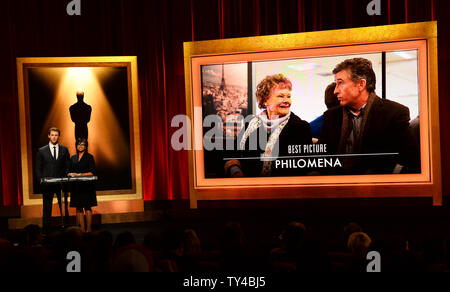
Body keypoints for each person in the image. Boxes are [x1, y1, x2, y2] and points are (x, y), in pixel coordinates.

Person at [319, 58, 419, 174]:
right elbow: (322, 160)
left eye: (340, 83)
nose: (335, 91)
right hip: (337, 186)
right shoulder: (331, 117)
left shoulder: (394, 113)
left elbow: (411, 160)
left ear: (361, 84)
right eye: (336, 84)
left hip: (378, 187)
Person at [224, 74, 312, 177]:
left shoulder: (300, 128)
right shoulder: (251, 123)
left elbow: (303, 168)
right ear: (265, 100)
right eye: (280, 96)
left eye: (288, 96)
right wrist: (235, 170)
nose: (287, 101)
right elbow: (233, 151)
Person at [35, 127, 70, 234]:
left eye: (56, 135)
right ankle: (46, 231)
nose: (54, 137)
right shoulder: (42, 151)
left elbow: (67, 165)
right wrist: (41, 180)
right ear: (49, 136)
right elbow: (38, 168)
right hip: (47, 184)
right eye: (52, 135)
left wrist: (66, 177)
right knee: (47, 208)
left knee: (64, 207)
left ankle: (67, 229)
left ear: (59, 136)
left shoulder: (64, 149)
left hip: (61, 184)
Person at [68, 138, 97, 233]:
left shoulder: (89, 157)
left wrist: (79, 174)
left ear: (86, 146)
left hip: (87, 186)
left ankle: (89, 229)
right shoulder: (73, 158)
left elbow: (92, 172)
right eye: (79, 144)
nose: (81, 146)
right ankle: (82, 230)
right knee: (79, 207)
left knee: (88, 207)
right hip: (76, 186)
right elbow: (70, 170)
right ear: (76, 145)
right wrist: (69, 174)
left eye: (83, 144)